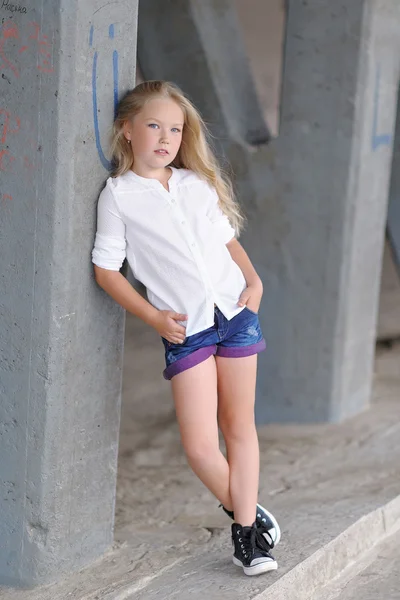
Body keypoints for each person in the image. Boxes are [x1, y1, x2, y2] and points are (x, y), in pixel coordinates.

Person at [91, 80, 281, 577]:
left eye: (175, 129)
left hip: (235, 314)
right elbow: (106, 270)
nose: (165, 137)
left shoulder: (195, 185)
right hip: (185, 330)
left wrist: (255, 280)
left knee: (239, 427)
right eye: (153, 125)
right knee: (200, 445)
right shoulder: (118, 196)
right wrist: (153, 317)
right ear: (126, 130)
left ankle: (248, 541)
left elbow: (227, 241)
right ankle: (252, 512)